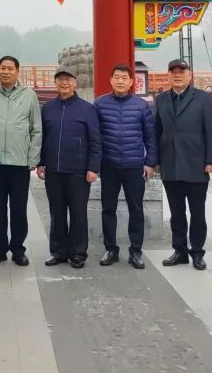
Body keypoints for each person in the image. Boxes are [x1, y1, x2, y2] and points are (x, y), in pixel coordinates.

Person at [154, 58, 212, 270]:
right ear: (168, 75)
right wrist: (154, 160)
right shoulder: (161, 99)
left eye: (181, 72)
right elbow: (156, 131)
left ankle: (197, 252)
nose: (177, 75)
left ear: (189, 75)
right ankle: (180, 251)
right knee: (176, 213)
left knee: (197, 212)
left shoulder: (203, 99)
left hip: (196, 165)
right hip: (170, 164)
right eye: (173, 72)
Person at [0, 55, 42, 267]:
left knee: (19, 209)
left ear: (17, 71)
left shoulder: (29, 95)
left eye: (10, 68)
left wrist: (33, 158)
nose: (5, 72)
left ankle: (18, 249)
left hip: (19, 162)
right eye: (2, 68)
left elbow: (36, 128)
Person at [37, 67, 101, 269]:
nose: (64, 83)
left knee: (78, 213)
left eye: (68, 79)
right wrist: (41, 163)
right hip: (53, 171)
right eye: (60, 80)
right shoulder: (48, 108)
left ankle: (78, 253)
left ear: (75, 83)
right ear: (55, 83)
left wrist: (93, 168)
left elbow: (95, 140)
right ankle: (58, 252)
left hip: (78, 171)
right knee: (56, 212)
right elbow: (42, 138)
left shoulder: (87, 109)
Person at [94, 63, 157, 269]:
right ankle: (111, 249)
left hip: (134, 165)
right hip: (109, 165)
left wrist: (150, 162)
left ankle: (135, 251)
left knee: (136, 209)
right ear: (110, 80)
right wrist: (94, 164)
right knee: (108, 209)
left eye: (124, 78)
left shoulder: (141, 106)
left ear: (131, 82)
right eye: (117, 77)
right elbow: (94, 137)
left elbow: (150, 137)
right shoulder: (99, 104)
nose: (120, 81)